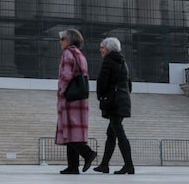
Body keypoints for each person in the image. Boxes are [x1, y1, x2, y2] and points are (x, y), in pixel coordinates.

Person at [56, 28, 97, 174]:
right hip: (80, 97)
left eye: (62, 39)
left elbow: (66, 76)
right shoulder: (80, 54)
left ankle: (88, 153)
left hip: (70, 98)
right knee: (73, 131)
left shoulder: (67, 53)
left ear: (69, 40)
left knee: (69, 131)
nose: (60, 42)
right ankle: (73, 166)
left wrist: (61, 92)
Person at [93, 37, 134, 174]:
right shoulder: (123, 62)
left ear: (109, 49)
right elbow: (129, 84)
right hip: (123, 100)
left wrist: (101, 96)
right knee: (111, 133)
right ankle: (104, 165)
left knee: (119, 133)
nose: (101, 50)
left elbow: (102, 81)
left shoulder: (108, 61)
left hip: (113, 101)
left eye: (102, 47)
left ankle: (129, 165)